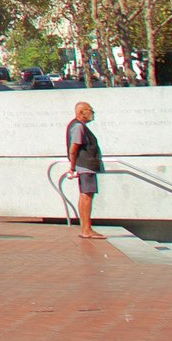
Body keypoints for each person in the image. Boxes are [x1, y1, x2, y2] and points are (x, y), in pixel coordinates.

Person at [65, 101, 105, 239]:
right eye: (90, 110)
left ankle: (85, 228)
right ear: (82, 112)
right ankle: (86, 229)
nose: (93, 114)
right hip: (86, 166)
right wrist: (72, 167)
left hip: (85, 165)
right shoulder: (78, 127)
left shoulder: (78, 126)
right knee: (86, 196)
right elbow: (73, 149)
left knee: (85, 196)